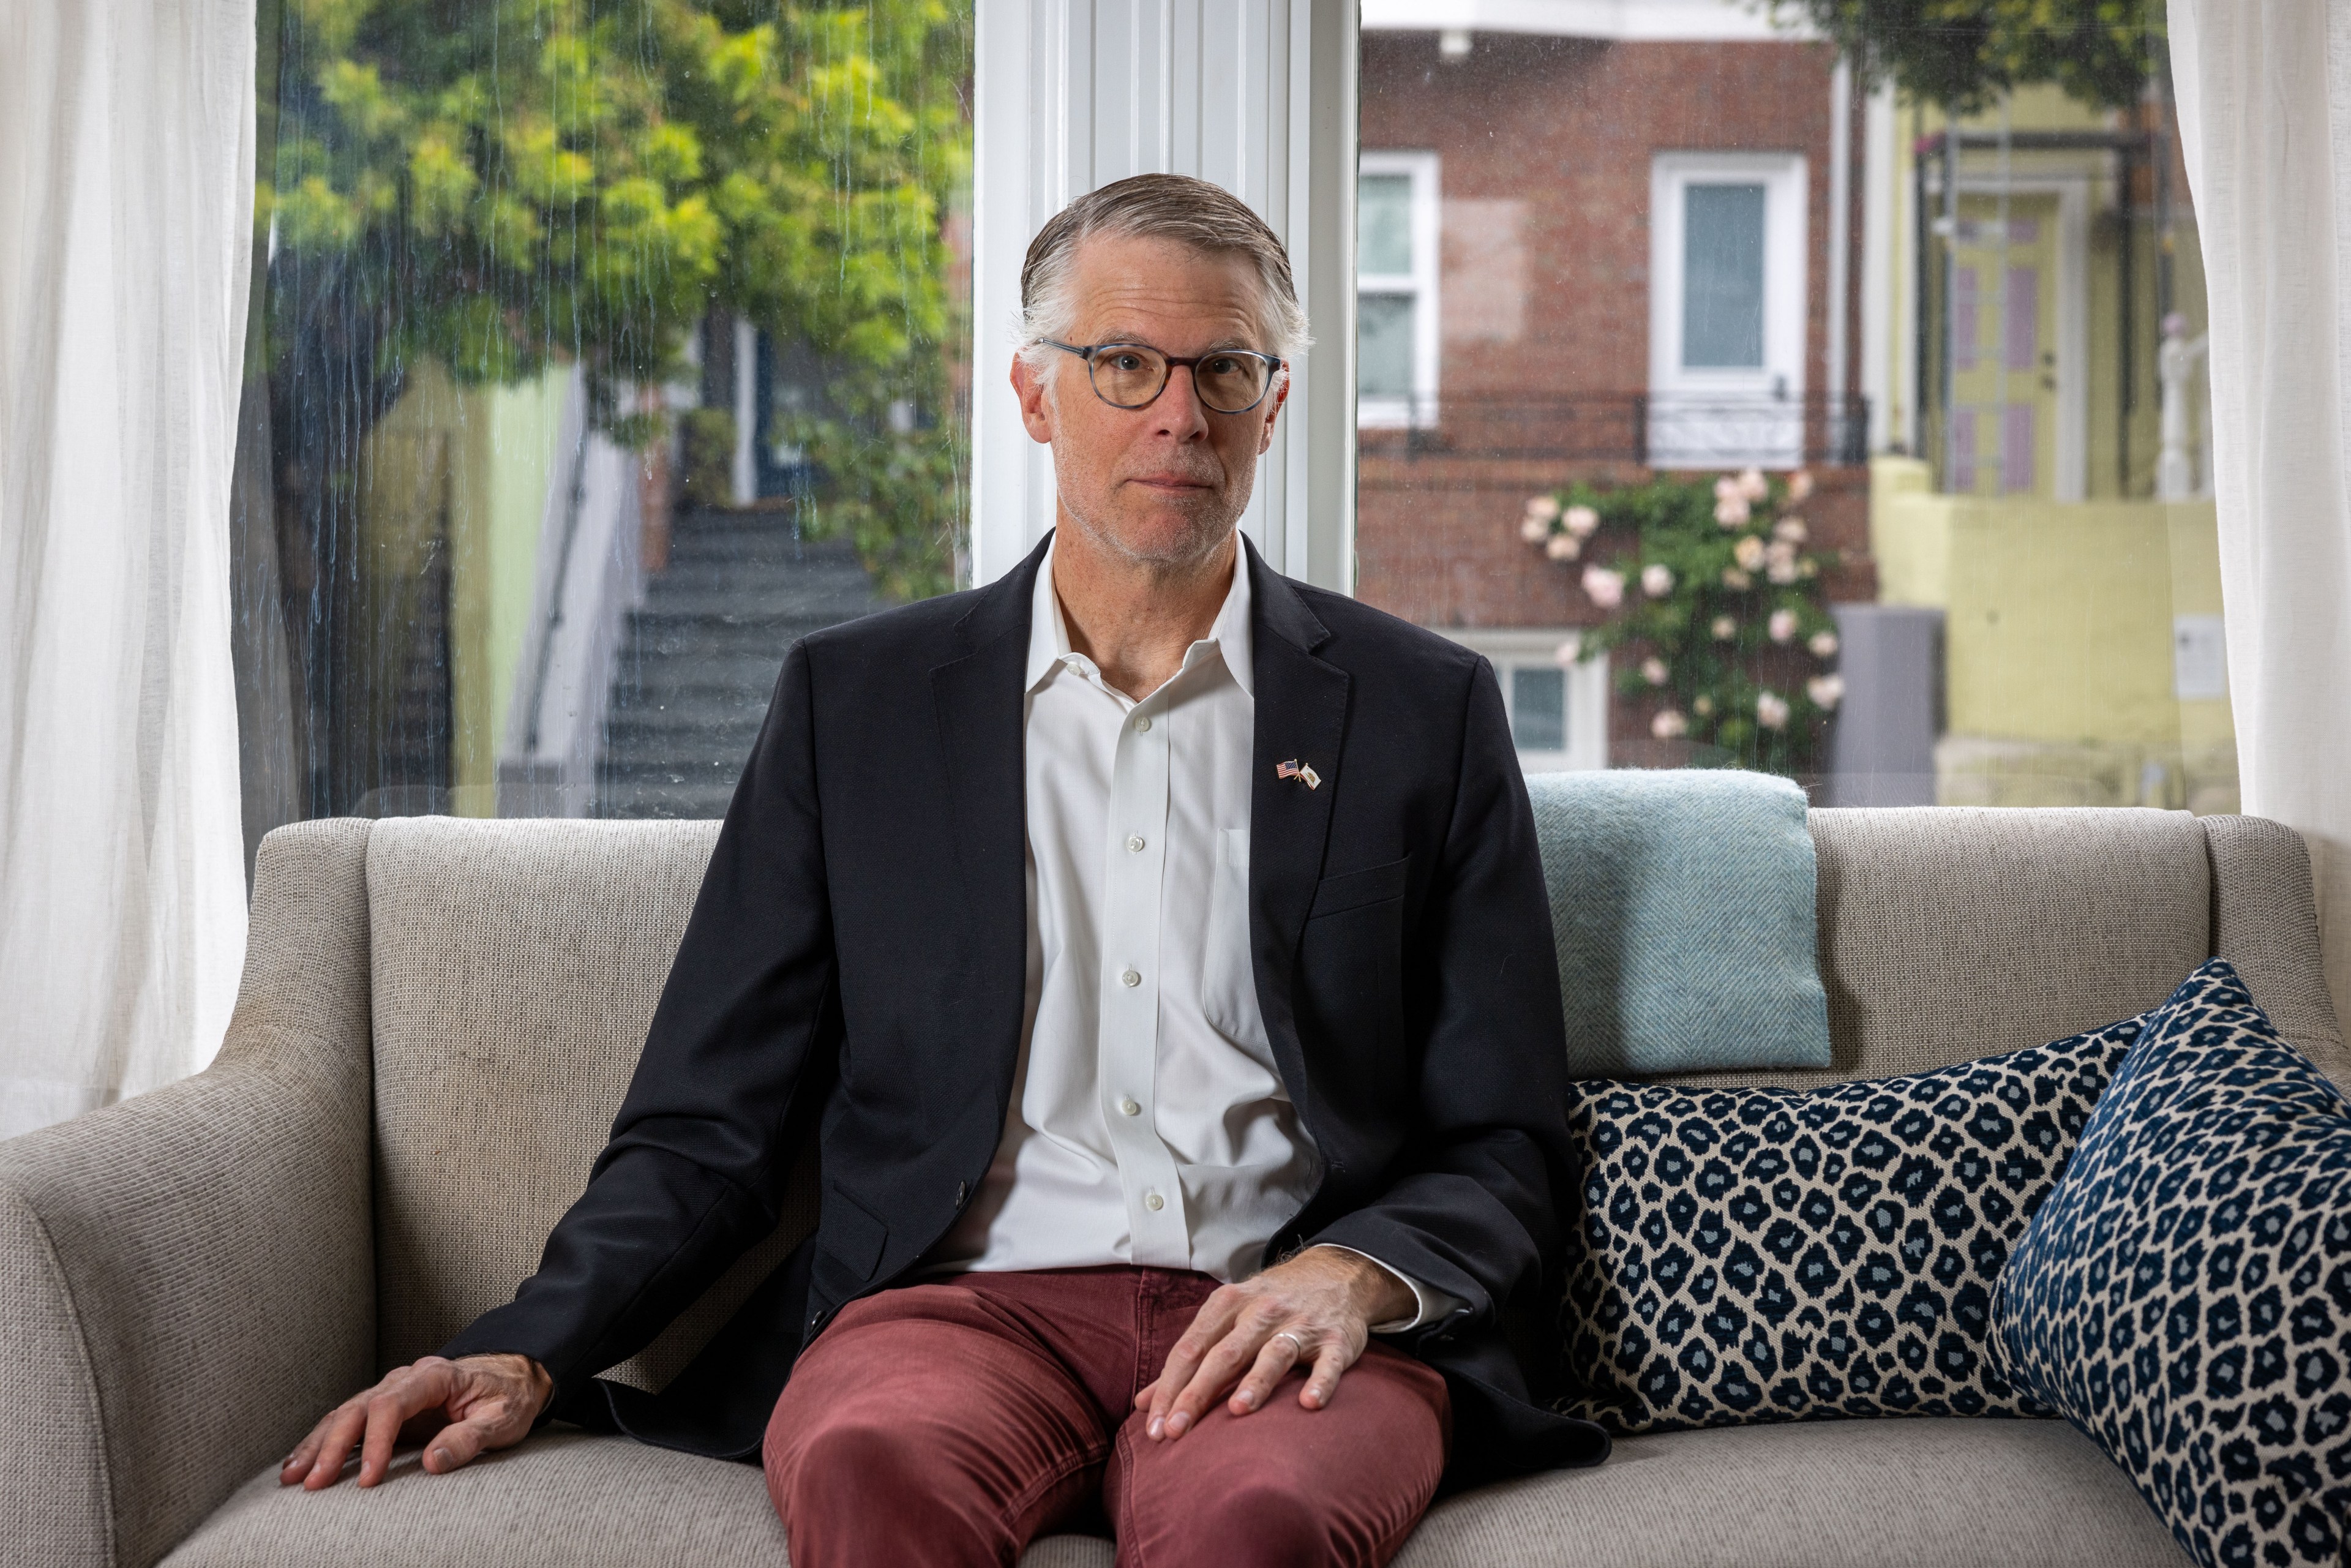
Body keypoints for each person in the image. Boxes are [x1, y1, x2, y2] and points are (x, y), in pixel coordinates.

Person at [277, 173, 1607, 1567]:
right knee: (866, 1465)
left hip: (1283, 1310)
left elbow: (1505, 1133)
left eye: (1225, 370)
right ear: (1036, 397)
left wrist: (1359, 1274)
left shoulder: (1422, 710)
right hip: (957, 1312)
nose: (1178, 414)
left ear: (1274, 404)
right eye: (1124, 364)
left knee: (1257, 1522)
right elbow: (707, 1127)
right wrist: (526, 1351)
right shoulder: (856, 704)